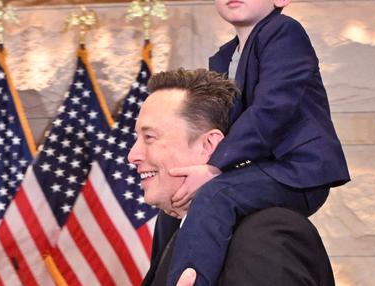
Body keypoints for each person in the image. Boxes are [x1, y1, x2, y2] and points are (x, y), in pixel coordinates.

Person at [164, 0, 351, 285]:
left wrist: (215, 166)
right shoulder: (224, 57)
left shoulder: (284, 33)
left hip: (297, 171)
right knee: (178, 194)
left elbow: (273, 111)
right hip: (259, 167)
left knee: (216, 194)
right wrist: (192, 163)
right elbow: (219, 125)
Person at [129, 69, 334, 286]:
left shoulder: (265, 234)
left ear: (209, 145)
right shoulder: (172, 226)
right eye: (137, 138)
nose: (133, 155)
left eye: (149, 137)